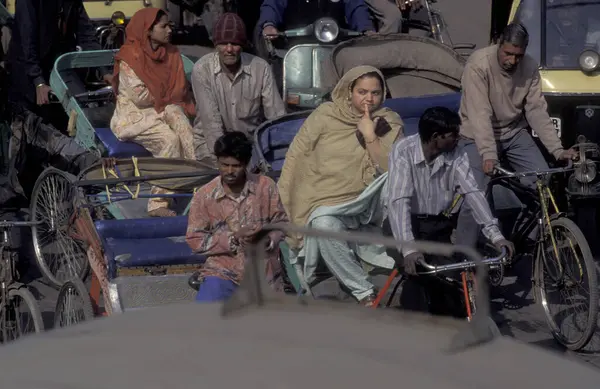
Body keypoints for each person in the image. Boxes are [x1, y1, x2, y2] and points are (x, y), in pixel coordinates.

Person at [278, 66, 403, 306]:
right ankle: (364, 292)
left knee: (395, 181)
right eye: (362, 92)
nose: (369, 99)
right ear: (349, 92)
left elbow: (393, 171)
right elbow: (298, 158)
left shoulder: (389, 121)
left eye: (375, 93)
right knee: (323, 223)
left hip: (372, 204)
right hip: (328, 201)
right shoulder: (325, 115)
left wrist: (370, 136)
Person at [455, 23, 577, 250]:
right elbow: (480, 113)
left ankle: (526, 238)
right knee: (476, 193)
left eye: (518, 55)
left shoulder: (529, 67)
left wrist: (557, 149)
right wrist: (488, 153)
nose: (512, 60)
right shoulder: (478, 64)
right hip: (475, 135)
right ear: (498, 44)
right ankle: (464, 253)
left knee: (542, 179)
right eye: (508, 53)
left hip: (513, 132)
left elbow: (536, 110)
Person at [387, 106, 514, 316]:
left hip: (436, 227)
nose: (458, 138)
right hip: (401, 226)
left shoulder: (457, 153)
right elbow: (399, 202)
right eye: (453, 135)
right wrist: (408, 249)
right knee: (417, 281)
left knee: (449, 292)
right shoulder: (403, 151)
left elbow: (473, 193)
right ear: (436, 137)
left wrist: (496, 236)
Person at [110, 8, 196, 218]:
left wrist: (165, 98)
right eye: (163, 26)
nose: (169, 30)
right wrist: (166, 96)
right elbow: (140, 97)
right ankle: (157, 203)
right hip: (134, 117)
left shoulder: (172, 53)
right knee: (169, 140)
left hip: (163, 109)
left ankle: (197, 183)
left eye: (170, 26)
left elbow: (180, 90)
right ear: (148, 30)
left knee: (183, 125)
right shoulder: (130, 56)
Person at [186, 131, 288, 302]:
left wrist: (267, 239)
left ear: (247, 164)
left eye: (236, 166)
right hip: (221, 273)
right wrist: (233, 239)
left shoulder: (265, 186)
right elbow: (194, 240)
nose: (230, 171)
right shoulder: (204, 196)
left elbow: (282, 222)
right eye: (224, 165)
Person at [191, 13, 285, 166]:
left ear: (242, 45)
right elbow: (211, 125)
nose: (229, 49)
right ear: (215, 45)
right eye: (223, 43)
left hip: (249, 144)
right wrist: (230, 163)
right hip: (212, 146)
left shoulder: (261, 68)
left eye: (235, 43)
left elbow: (276, 116)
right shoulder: (202, 69)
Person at [5, 0, 111, 124]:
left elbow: (86, 34)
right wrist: (38, 81)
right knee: (33, 126)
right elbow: (27, 41)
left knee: (76, 114)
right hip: (28, 72)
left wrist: (104, 70)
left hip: (58, 67)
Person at [258, 0, 376, 38]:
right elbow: (272, 4)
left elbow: (356, 6)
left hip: (336, 43)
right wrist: (269, 24)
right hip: (294, 42)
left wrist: (366, 28)